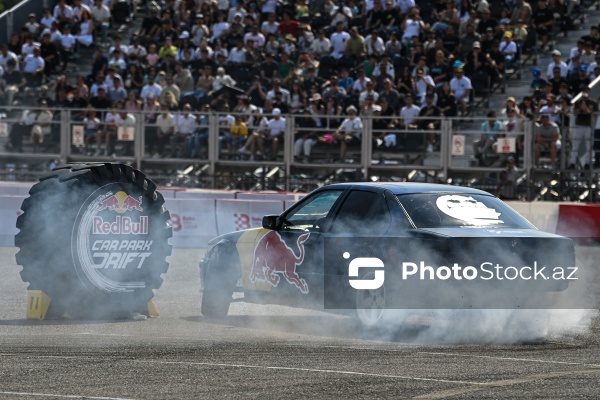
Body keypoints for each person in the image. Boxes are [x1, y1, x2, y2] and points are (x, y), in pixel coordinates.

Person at [570, 86, 598, 169]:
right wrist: (580, 108)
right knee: (575, 145)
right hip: (579, 125)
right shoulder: (578, 102)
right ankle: (572, 162)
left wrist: (586, 108)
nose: (585, 92)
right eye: (584, 91)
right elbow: (575, 113)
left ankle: (587, 163)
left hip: (588, 126)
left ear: (589, 92)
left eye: (587, 91)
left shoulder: (593, 102)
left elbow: (595, 113)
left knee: (588, 146)